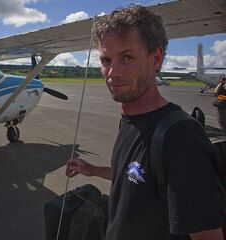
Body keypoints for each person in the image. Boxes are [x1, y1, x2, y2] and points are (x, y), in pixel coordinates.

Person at [66, 6, 223, 240]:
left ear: (156, 59)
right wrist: (93, 170)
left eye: (127, 57)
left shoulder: (180, 138)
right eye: (106, 60)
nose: (112, 72)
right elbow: (136, 178)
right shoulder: (131, 122)